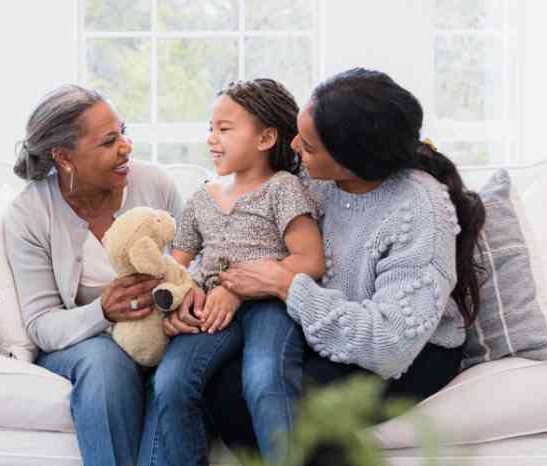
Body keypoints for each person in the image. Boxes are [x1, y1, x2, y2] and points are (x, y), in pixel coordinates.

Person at [187, 68, 486, 453]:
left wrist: (283, 284)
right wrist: (196, 288)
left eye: (309, 146)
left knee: (289, 408)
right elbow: (239, 233)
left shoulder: (419, 211)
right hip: (318, 330)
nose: (294, 146)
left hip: (408, 349)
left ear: (352, 161)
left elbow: (388, 344)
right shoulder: (310, 178)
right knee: (224, 388)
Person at [138, 79, 326, 466]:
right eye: (210, 128)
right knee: (170, 384)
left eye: (224, 129)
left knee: (265, 380)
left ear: (266, 138)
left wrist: (238, 287)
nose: (211, 138)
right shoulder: (201, 198)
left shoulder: (283, 189)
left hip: (270, 305)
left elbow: (309, 261)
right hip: (210, 311)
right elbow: (176, 265)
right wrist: (179, 301)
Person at [4, 84, 182, 466]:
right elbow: (41, 323)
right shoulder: (31, 213)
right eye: (108, 141)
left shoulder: (155, 184)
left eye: (124, 131)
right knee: (105, 363)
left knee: (181, 371)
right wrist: (103, 310)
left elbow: (190, 266)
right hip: (82, 345)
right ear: (64, 157)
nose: (126, 147)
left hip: (161, 331)